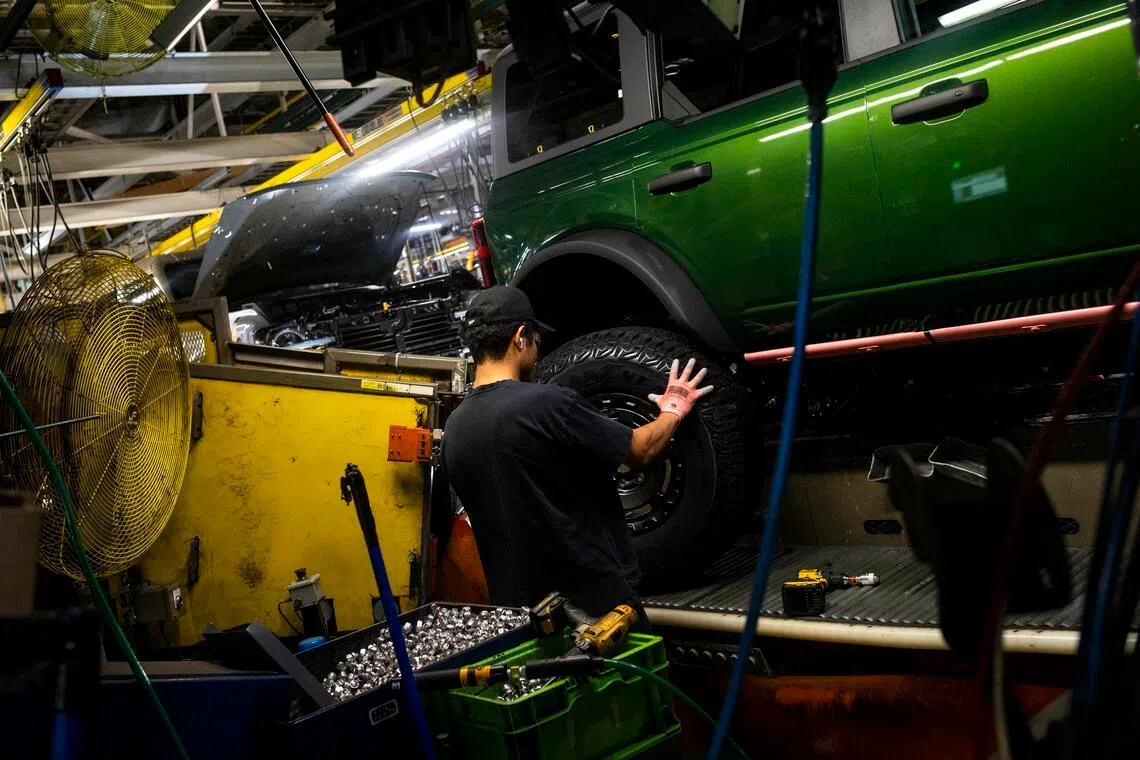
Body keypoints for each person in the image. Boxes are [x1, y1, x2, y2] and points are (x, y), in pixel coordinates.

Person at [442, 286, 714, 619]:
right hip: (595, 606)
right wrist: (674, 408)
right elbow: (641, 450)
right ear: (521, 337)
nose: (538, 353)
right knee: (633, 672)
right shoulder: (546, 404)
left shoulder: (455, 428)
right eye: (537, 341)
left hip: (522, 614)